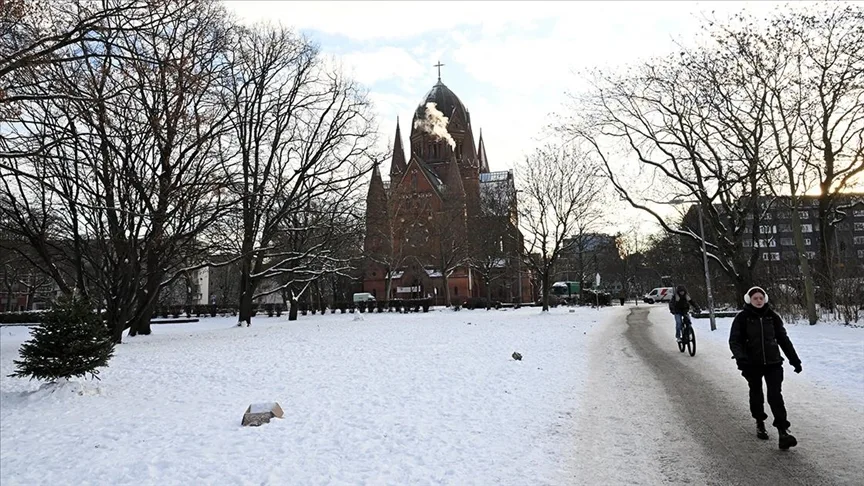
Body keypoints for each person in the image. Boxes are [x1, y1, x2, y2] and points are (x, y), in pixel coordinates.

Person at [729, 286, 802, 450]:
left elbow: (783, 340)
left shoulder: (772, 317)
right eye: (755, 298)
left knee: (775, 395)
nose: (758, 301)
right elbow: (735, 341)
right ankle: (759, 421)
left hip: (773, 362)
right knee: (756, 392)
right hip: (751, 364)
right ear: (749, 300)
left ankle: (783, 431)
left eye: (761, 298)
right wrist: (741, 359)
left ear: (765, 299)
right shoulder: (742, 318)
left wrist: (794, 360)